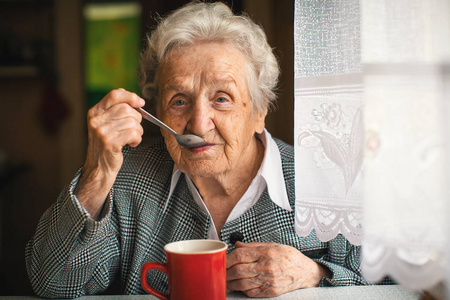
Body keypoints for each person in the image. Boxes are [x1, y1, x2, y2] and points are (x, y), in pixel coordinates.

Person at [25, 1, 377, 298]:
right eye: (179, 101)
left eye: (221, 99)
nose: (198, 123)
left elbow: (405, 286)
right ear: (157, 110)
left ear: (259, 111)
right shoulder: (125, 180)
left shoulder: (330, 181)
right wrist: (98, 171)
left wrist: (317, 275)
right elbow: (53, 283)